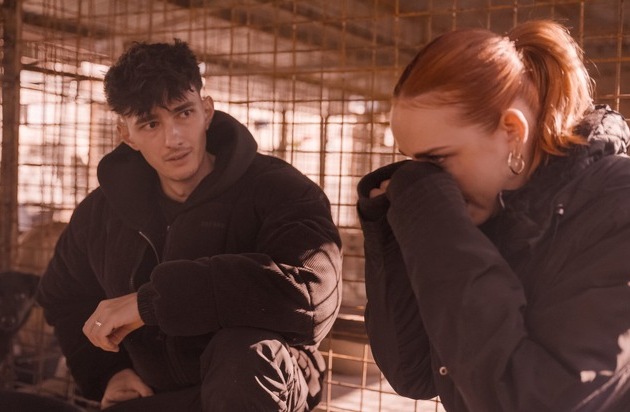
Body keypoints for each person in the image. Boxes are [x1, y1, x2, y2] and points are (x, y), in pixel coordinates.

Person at [37, 40, 342, 412]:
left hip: (258, 388)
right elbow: (62, 297)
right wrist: (109, 373)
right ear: (126, 134)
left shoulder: (280, 189)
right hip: (155, 391)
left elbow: (314, 291)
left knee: (243, 354)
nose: (174, 138)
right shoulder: (101, 211)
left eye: (183, 113)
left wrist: (152, 304)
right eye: (151, 123)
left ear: (206, 111)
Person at [357, 20, 630, 412]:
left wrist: (435, 226)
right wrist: (403, 232)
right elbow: (414, 372)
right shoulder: (488, 208)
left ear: (512, 130)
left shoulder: (618, 205)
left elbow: (535, 400)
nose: (426, 181)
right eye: (415, 163)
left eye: (437, 160)